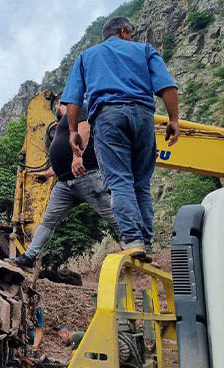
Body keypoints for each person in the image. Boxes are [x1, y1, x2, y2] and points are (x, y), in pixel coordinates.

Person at [61, 16, 180, 259]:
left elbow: (73, 99)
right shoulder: (145, 50)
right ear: (124, 31)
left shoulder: (87, 56)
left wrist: (73, 131)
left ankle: (133, 240)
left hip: (108, 117)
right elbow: (168, 87)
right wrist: (173, 119)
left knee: (119, 180)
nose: (132, 39)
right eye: (131, 35)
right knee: (141, 182)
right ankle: (146, 242)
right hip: (143, 116)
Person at [9, 98, 120, 270]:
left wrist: (78, 157)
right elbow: (62, 155)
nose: (58, 106)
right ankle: (29, 256)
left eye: (60, 104)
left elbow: (85, 129)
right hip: (64, 183)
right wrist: (48, 174)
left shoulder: (79, 108)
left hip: (86, 176)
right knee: (48, 221)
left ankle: (136, 245)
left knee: (112, 215)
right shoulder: (64, 122)